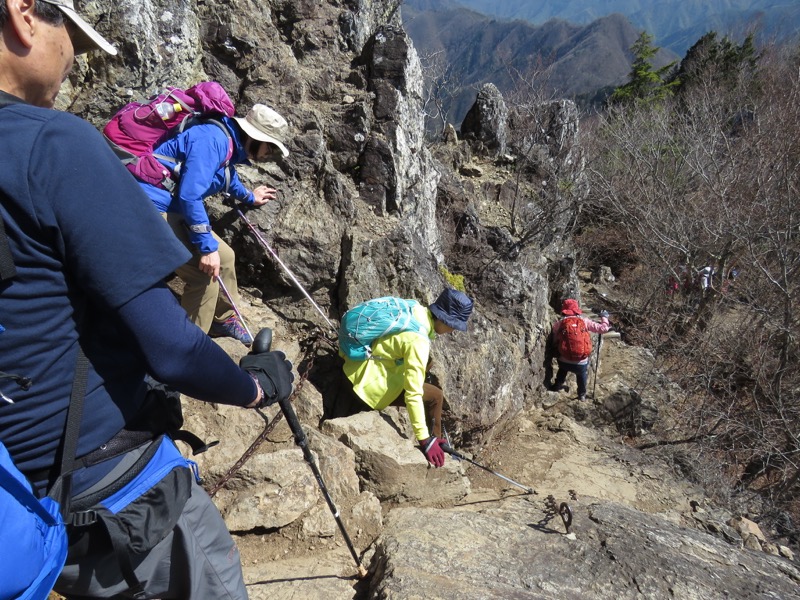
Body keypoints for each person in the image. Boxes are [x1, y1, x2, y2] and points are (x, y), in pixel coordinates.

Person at [0, 1, 293, 597]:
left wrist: (242, 194)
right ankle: (223, 333)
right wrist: (255, 385)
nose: (72, 65)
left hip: (16, 477)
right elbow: (171, 352)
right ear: (23, 15)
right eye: (74, 44)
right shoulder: (53, 145)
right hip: (103, 483)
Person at [139, 101, 291, 346]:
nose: (269, 155)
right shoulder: (213, 140)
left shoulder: (228, 142)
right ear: (255, 136)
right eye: (270, 147)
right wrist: (207, 248)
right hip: (151, 206)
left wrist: (250, 196)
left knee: (227, 257)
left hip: (173, 205)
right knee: (204, 277)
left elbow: (224, 177)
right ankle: (184, 351)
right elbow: (190, 194)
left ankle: (224, 318)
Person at [334, 289, 474, 468]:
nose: (453, 330)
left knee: (427, 364)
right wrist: (423, 439)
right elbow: (412, 395)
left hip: (352, 365)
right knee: (435, 397)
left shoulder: (414, 308)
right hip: (365, 387)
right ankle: (435, 444)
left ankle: (436, 441)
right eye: (453, 325)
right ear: (443, 319)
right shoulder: (418, 342)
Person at [549, 298, 611, 401]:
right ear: (577, 309)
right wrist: (604, 318)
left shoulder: (560, 323)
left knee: (562, 369)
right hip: (580, 362)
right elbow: (603, 329)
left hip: (564, 360)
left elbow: (555, 339)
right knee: (582, 374)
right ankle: (582, 394)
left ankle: (557, 385)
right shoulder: (584, 321)